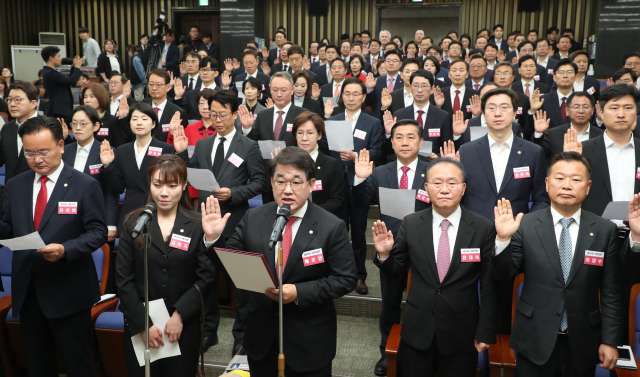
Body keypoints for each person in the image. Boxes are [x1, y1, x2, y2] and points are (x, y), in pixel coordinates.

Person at [203, 146, 356, 376]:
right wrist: (213, 239)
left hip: (309, 341)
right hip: (261, 336)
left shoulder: (331, 226)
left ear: (311, 184)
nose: (287, 190)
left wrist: (299, 292)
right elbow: (230, 262)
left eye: (296, 182)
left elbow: (345, 279)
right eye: (280, 181)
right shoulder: (254, 217)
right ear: (271, 183)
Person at [492, 152, 624, 376]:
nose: (567, 185)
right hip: (534, 339)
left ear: (588, 186)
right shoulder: (526, 225)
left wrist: (610, 341)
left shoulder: (604, 230)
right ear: (547, 183)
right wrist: (503, 239)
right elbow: (503, 275)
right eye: (560, 178)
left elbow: (612, 292)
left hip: (583, 342)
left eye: (576, 179)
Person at [0, 116, 107, 376]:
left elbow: (97, 232)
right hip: (28, 291)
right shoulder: (16, 185)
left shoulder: (84, 185)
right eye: (30, 153)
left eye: (44, 152)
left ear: (61, 145)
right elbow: (7, 226)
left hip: (69, 290)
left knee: (77, 363)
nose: (37, 159)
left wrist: (66, 249)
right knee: (37, 363)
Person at [371, 155, 497, 376]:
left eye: (452, 183)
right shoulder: (411, 223)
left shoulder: (483, 228)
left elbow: (488, 285)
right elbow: (397, 270)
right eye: (437, 183)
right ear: (427, 188)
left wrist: (485, 330)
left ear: (464, 187)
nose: (444, 189)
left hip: (461, 332)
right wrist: (384, 255)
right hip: (417, 330)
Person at [173, 90, 268, 354]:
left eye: (222, 115)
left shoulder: (248, 146)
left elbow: (260, 182)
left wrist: (234, 193)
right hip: (203, 221)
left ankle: (241, 336)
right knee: (206, 279)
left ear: (235, 114)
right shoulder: (203, 144)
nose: (216, 119)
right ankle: (208, 331)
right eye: (212, 114)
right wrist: (182, 155)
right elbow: (191, 175)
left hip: (235, 220)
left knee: (242, 282)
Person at [117, 154, 220, 377]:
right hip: (140, 323)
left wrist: (180, 315)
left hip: (183, 326)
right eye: (157, 185)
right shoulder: (134, 222)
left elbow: (206, 277)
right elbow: (123, 280)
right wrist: (142, 323)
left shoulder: (196, 224)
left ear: (184, 185)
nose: (164, 193)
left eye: (172, 185)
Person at [459, 87, 549, 333]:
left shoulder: (533, 152)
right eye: (491, 108)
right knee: (469, 302)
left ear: (516, 113)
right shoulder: (467, 151)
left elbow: (541, 199)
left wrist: (524, 227)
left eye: (504, 107)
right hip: (473, 236)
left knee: (506, 302)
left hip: (515, 239)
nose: (498, 113)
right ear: (483, 114)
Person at [351, 119, 431, 375]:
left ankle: (421, 351)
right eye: (399, 137)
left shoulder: (433, 171)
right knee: (390, 304)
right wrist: (360, 179)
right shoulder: (381, 172)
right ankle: (387, 352)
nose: (405, 142)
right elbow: (361, 202)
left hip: (426, 249)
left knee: (424, 304)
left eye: (410, 137)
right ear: (392, 142)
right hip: (390, 249)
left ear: (421, 142)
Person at [327, 77, 383, 295]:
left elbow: (377, 152)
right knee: (336, 232)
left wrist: (356, 156)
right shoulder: (333, 121)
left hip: (360, 185)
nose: (351, 98)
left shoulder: (373, 123)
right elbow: (324, 149)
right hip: (335, 185)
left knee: (359, 235)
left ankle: (360, 276)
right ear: (341, 97)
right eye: (347, 94)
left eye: (355, 94)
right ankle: (337, 273)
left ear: (363, 97)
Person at [100, 103, 178, 232]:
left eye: (144, 118)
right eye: (134, 119)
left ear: (153, 124)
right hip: (130, 212)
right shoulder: (122, 150)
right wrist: (107, 165)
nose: (139, 123)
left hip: (157, 209)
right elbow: (118, 188)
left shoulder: (165, 149)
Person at [579, 84, 640, 216]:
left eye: (628, 108)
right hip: (595, 229)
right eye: (614, 108)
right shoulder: (583, 150)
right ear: (600, 112)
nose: (621, 114)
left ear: (636, 112)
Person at [62, 106, 119, 243]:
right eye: (74, 124)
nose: (77, 128)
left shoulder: (107, 151)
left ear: (96, 126)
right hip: (66, 215)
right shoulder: (64, 151)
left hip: (96, 216)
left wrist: (110, 223)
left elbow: (112, 190)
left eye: (83, 123)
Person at [385, 70, 452, 156]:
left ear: (432, 89)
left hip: (431, 165)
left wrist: (437, 158)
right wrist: (388, 134)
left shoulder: (443, 116)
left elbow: (446, 147)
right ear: (410, 88)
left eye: (424, 86)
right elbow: (389, 151)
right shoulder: (399, 115)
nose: (420, 90)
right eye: (416, 86)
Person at [289, 111, 345, 214]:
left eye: (310, 133)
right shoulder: (288, 164)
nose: (304, 138)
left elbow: (338, 200)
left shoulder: (331, 165)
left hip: (320, 220)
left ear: (319, 135)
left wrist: (311, 213)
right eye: (300, 133)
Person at [240, 72, 308, 149]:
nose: (279, 94)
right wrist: (247, 128)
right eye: (275, 90)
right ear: (270, 89)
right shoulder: (262, 115)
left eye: (283, 90)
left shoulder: (303, 115)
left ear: (292, 90)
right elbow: (253, 144)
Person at [533, 91, 602, 160]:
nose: (581, 111)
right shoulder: (552, 135)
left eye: (585, 107)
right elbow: (537, 157)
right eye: (576, 107)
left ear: (592, 111)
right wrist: (538, 133)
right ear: (567, 111)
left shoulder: (602, 135)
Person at [453, 82, 523, 148]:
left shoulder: (514, 126)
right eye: (486, 97)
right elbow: (460, 151)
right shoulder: (467, 125)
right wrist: (457, 135)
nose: (497, 113)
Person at [0, 82, 38, 182]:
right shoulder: (7, 128)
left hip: (39, 189)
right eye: (9, 100)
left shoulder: (47, 127)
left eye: (17, 100)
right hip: (11, 190)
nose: (12, 104)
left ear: (33, 103)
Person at [138, 69, 188, 142]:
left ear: (168, 87)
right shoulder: (141, 108)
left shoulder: (177, 112)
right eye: (151, 84)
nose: (154, 88)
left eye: (158, 85)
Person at [528, 58, 577, 131]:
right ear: (554, 77)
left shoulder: (582, 100)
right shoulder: (543, 101)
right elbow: (530, 131)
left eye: (569, 72)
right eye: (561, 72)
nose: (565, 75)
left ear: (576, 77)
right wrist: (532, 111)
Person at [41, 46, 83, 122]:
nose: (61, 59)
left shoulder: (50, 72)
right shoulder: (50, 73)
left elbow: (69, 81)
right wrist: (77, 67)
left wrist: (73, 66)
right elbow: (72, 81)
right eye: (58, 56)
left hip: (61, 109)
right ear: (51, 58)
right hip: (58, 110)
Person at [492, 62, 533, 138]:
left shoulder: (522, 99)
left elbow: (525, 126)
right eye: (499, 73)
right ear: (494, 76)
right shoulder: (487, 96)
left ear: (513, 77)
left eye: (506, 73)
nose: (502, 77)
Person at [366, 49, 403, 118]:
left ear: (400, 64)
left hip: (399, 118)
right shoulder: (376, 81)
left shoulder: (404, 81)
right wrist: (369, 89)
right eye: (388, 61)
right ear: (384, 63)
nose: (391, 63)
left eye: (395, 61)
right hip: (379, 119)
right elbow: (368, 103)